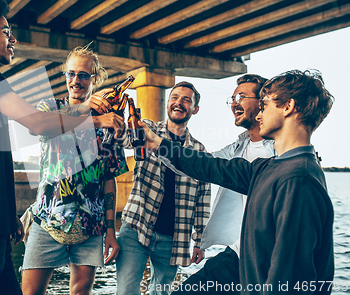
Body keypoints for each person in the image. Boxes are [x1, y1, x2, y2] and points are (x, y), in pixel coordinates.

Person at [0, 0, 123, 295]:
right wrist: (93, 118)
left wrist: (8, 216)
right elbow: (37, 122)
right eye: (6, 31)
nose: (13, 39)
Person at [144, 70, 335, 294]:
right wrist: (157, 143)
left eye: (264, 105)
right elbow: (211, 166)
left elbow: (290, 277)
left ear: (288, 106)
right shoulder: (268, 167)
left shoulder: (299, 179)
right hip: (241, 258)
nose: (260, 115)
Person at [21, 45, 129, 295]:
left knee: (81, 292)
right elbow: (37, 127)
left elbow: (109, 179)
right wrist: (94, 118)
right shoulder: (49, 107)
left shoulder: (110, 120)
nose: (76, 80)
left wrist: (111, 230)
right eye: (71, 74)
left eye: (83, 75)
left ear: (95, 78)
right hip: (47, 218)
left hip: (90, 225)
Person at [173, 74, 275, 295]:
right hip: (239, 251)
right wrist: (157, 146)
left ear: (262, 102)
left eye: (241, 96)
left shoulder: (279, 149)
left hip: (268, 256)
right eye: (232, 98)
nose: (234, 103)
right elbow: (203, 165)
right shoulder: (237, 148)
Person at [116, 81, 211, 295]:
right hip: (136, 228)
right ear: (168, 103)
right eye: (175, 97)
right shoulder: (146, 128)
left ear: (195, 109)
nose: (179, 102)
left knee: (162, 293)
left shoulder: (199, 151)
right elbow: (122, 138)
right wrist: (115, 113)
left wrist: (200, 241)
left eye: (186, 99)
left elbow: (203, 199)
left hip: (174, 238)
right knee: (126, 292)